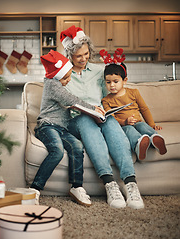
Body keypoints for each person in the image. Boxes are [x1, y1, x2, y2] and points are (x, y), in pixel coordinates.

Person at [60, 25, 144, 209]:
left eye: (86, 53)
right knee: (85, 121)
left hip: (100, 115)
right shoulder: (63, 75)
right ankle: (109, 184)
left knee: (112, 123)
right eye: (78, 56)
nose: (83, 59)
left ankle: (130, 183)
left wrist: (106, 110)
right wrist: (84, 108)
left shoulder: (99, 72)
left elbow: (114, 90)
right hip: (77, 120)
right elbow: (61, 102)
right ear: (70, 56)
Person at [29, 50, 101, 206]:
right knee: (57, 151)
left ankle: (76, 186)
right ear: (56, 75)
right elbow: (71, 99)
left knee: (77, 146)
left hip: (61, 128)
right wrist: (93, 109)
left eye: (69, 76)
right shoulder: (52, 85)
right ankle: (35, 188)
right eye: (66, 77)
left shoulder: (58, 83)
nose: (68, 80)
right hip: (47, 126)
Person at [101, 51, 167, 161]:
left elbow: (144, 109)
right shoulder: (106, 100)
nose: (112, 85)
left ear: (124, 80)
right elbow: (110, 118)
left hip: (138, 121)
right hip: (124, 126)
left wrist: (152, 124)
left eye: (115, 81)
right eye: (108, 82)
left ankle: (156, 138)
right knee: (129, 131)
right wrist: (124, 122)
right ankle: (139, 145)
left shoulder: (134, 92)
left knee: (143, 127)